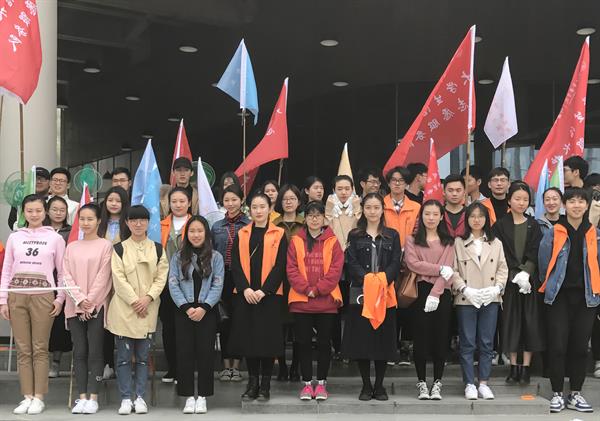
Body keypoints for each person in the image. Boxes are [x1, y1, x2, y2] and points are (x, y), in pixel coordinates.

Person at [0, 194, 66, 415]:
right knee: (23, 349)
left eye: (38, 210)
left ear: (45, 212)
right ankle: (27, 396)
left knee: (39, 348)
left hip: (43, 297)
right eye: (30, 211)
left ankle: (39, 397)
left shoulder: (55, 238)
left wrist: (60, 298)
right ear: (23, 213)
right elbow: (6, 270)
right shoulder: (15, 237)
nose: (34, 214)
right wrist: (3, 300)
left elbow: (62, 272)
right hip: (16, 296)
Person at [538, 187, 599, 413]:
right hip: (559, 297)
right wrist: (551, 287)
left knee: (580, 347)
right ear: (565, 205)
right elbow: (544, 264)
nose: (576, 205)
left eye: (581, 201)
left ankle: (575, 393)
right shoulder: (554, 232)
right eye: (572, 201)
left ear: (587, 205)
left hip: (587, 298)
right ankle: (556, 393)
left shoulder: (594, 233)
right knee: (557, 345)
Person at [107, 205, 169, 415]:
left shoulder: (158, 249)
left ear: (149, 222)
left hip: (148, 309)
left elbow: (161, 278)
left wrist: (148, 298)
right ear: (127, 223)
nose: (138, 224)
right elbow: (118, 279)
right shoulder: (119, 249)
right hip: (124, 310)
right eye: (133, 220)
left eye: (142, 220)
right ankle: (125, 398)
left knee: (143, 357)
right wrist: (135, 301)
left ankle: (140, 397)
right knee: (124, 358)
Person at [228, 193, 288, 402]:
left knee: (267, 341)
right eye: (255, 207)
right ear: (249, 210)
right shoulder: (242, 233)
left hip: (269, 296)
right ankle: (252, 383)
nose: (259, 210)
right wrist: (245, 288)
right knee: (249, 340)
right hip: (246, 295)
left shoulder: (279, 233)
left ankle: (265, 385)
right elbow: (235, 264)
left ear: (270, 209)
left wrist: (265, 290)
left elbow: (281, 266)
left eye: (263, 206)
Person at [342, 193, 400, 401]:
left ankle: (379, 385)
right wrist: (368, 280)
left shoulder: (392, 235)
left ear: (383, 210)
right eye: (368, 207)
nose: (372, 211)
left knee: (383, 340)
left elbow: (396, 262)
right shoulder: (354, 235)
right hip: (362, 293)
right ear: (363, 210)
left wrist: (381, 280)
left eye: (376, 207)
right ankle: (366, 385)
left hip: (385, 293)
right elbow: (351, 262)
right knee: (363, 340)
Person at [287, 200, 344, 401]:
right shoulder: (296, 240)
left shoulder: (333, 241)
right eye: (310, 215)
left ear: (324, 218)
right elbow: (291, 269)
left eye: (318, 215)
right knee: (302, 343)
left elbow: (336, 270)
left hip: (326, 301)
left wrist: (318, 290)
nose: (314, 219)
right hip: (301, 301)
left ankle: (321, 384)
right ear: (305, 218)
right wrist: (306, 289)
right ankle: (306, 384)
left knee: (324, 343)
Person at [452, 202, 508, 400]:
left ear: (487, 219)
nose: (476, 220)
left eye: (480, 216)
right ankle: (469, 383)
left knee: (486, 342)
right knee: (467, 343)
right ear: (466, 219)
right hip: (466, 298)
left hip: (490, 298)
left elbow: (502, 268)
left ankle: (483, 382)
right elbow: (453, 270)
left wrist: (497, 288)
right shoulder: (458, 243)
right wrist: (464, 288)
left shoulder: (496, 243)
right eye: (472, 216)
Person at [169, 216, 224, 414]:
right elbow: (173, 283)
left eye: (200, 231)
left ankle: (202, 396)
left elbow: (218, 284)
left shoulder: (216, 257)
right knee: (184, 353)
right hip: (183, 311)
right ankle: (187, 397)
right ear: (187, 234)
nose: (196, 235)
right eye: (192, 231)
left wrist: (204, 307)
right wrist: (186, 307)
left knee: (205, 354)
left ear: (206, 233)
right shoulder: (178, 257)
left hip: (206, 312)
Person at [62, 204, 113, 414]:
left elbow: (104, 277)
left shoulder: (106, 246)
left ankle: (93, 397)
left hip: (97, 307)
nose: (85, 223)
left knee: (95, 351)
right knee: (80, 352)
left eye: (90, 219)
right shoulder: (71, 246)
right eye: (82, 219)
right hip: (74, 306)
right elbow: (65, 276)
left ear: (99, 221)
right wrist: (80, 301)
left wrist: (89, 302)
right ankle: (81, 397)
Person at [493, 181, 544, 386]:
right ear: (509, 200)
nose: (521, 203)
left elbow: (536, 250)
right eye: (517, 199)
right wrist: (515, 273)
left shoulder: (534, 225)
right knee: (511, 322)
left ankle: (526, 367)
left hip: (529, 282)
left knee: (530, 322)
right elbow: (500, 252)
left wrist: (526, 272)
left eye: (525, 199)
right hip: (509, 280)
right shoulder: (499, 225)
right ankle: (513, 366)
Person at [404, 200, 456, 401]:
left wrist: (435, 293)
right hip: (420, 291)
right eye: (427, 214)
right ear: (421, 216)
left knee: (440, 336)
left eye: (435, 214)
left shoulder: (449, 241)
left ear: (442, 217)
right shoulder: (412, 240)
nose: (431, 218)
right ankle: (421, 382)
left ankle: (437, 382)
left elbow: (448, 270)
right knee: (421, 337)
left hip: (442, 292)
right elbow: (413, 264)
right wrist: (439, 269)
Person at [211, 185, 250, 382]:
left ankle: (237, 366)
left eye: (234, 199)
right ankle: (225, 365)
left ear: (241, 200)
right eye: (227, 200)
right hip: (222, 277)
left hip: (243, 277)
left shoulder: (249, 224)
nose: (231, 203)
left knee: (240, 322)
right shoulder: (216, 226)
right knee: (224, 322)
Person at [159, 187, 192, 383]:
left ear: (189, 203)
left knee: (186, 329)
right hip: (165, 285)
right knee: (168, 328)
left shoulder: (196, 224)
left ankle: (185, 369)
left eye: (182, 201)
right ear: (168, 204)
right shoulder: (160, 225)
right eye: (174, 201)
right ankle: (172, 367)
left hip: (189, 284)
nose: (178, 205)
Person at [97, 186, 130, 380]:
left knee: (123, 321)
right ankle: (107, 363)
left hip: (124, 279)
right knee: (105, 322)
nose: (114, 204)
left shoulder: (129, 224)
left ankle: (126, 363)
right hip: (102, 279)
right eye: (110, 200)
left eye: (118, 200)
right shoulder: (99, 223)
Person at [273, 184, 304, 381]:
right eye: (285, 199)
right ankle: (282, 366)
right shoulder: (273, 225)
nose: (289, 202)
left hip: (301, 280)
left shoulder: (306, 224)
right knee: (279, 327)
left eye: (292, 199)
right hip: (279, 280)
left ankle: (296, 367)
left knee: (300, 325)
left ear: (299, 201)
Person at [44, 196, 72, 378]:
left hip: (64, 279)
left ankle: (56, 362)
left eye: (62, 210)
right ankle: (41, 361)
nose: (58, 213)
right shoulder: (39, 230)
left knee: (59, 324)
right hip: (43, 280)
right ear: (47, 211)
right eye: (55, 209)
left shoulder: (72, 231)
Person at [382, 166, 420, 248]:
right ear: (388, 183)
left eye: (401, 180)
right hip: (386, 250)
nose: (397, 183)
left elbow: (418, 232)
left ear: (406, 184)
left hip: (409, 251)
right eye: (393, 180)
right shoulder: (380, 205)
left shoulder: (416, 207)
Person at [325, 175, 362, 250]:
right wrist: (329, 209)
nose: (343, 192)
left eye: (347, 189)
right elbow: (326, 229)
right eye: (339, 189)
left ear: (352, 190)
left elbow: (361, 227)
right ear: (334, 190)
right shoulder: (329, 207)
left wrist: (357, 208)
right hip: (333, 250)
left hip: (354, 250)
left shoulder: (359, 207)